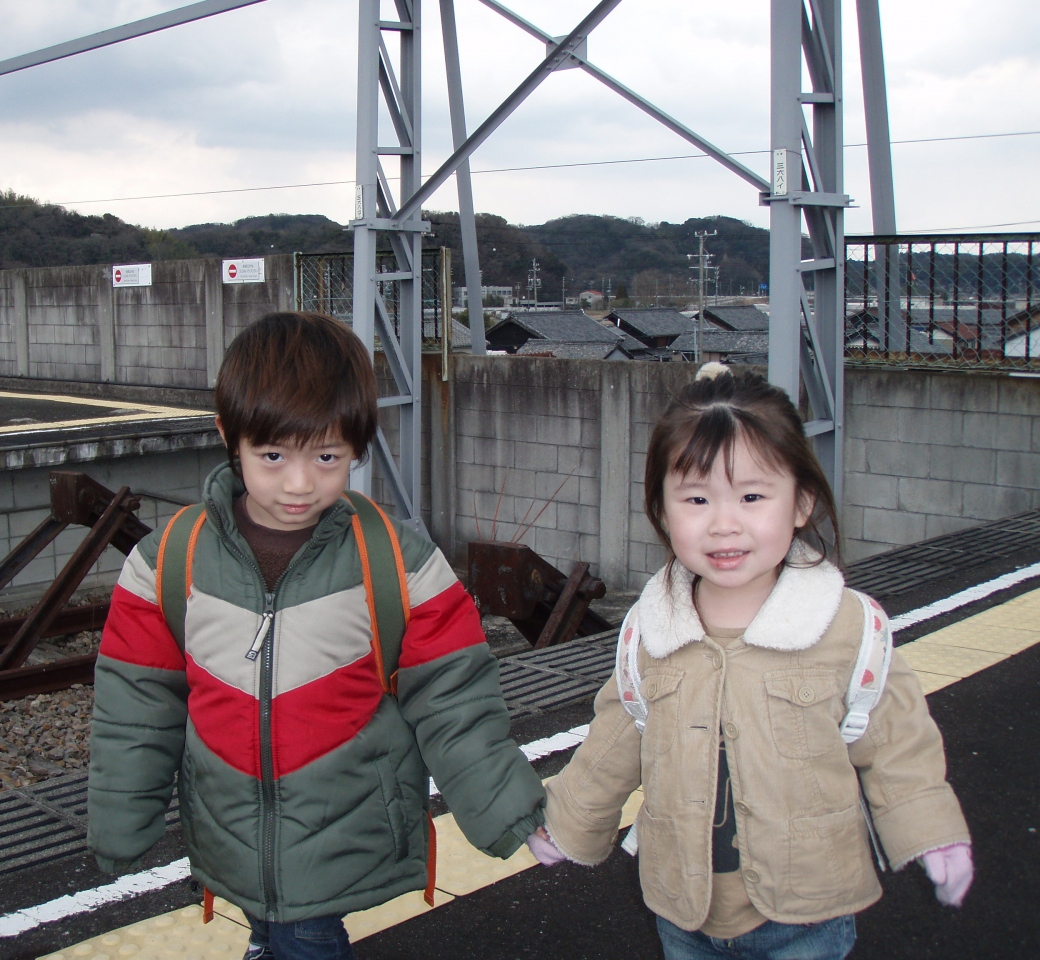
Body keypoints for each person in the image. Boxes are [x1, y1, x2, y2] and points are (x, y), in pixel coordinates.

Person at [87, 311, 546, 960]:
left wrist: (511, 813)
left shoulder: (397, 563)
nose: (300, 484)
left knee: (305, 939)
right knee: (276, 932)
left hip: (339, 839)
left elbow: (457, 701)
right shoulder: (170, 561)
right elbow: (135, 707)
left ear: (358, 445)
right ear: (229, 438)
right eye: (273, 456)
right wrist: (119, 821)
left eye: (326, 457)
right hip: (229, 836)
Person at [527, 364, 972, 960]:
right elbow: (617, 737)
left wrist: (930, 833)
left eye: (753, 496)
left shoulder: (844, 626)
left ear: (801, 502)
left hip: (808, 914)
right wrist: (570, 820)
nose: (724, 523)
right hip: (682, 911)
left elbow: (896, 744)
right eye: (696, 498)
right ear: (662, 510)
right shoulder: (651, 632)